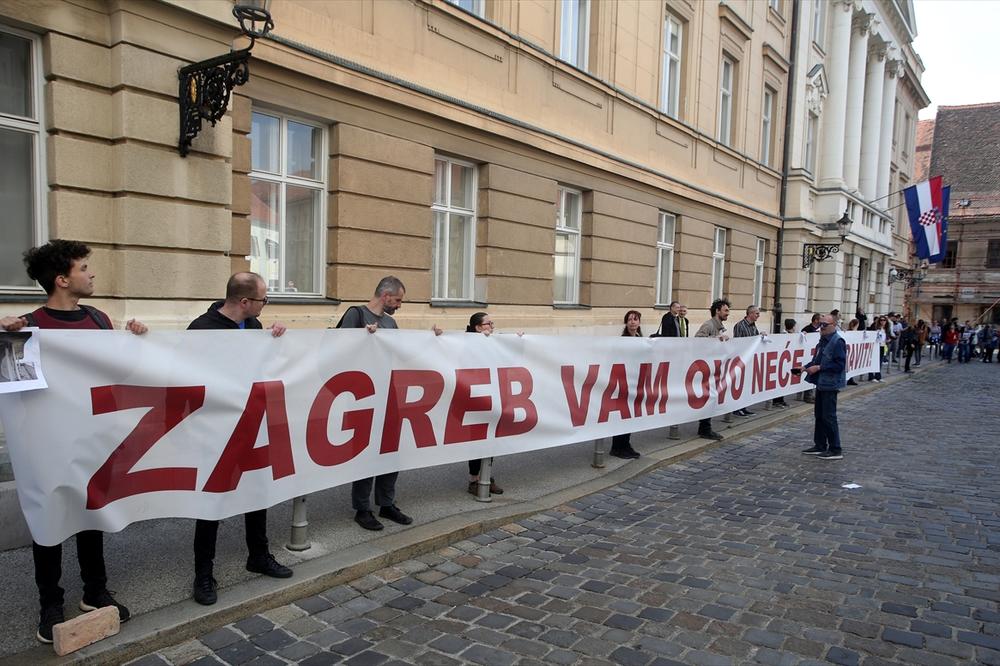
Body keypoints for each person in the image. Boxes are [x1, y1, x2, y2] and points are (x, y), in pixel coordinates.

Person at [0, 239, 146, 643]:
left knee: (91, 516)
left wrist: (136, 339)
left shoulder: (98, 320)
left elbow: (121, 373)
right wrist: (2, 334)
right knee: (48, 521)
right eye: (84, 267)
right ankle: (51, 604)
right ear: (63, 279)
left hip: (92, 440)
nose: (92, 273)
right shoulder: (27, 325)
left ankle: (94, 592)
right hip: (44, 446)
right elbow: (14, 388)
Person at [187, 272, 292, 606]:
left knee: (257, 490)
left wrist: (274, 342)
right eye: (263, 299)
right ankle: (203, 575)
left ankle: (258, 555)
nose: (266, 305)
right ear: (245, 302)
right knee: (211, 502)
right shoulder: (202, 330)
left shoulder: (255, 327)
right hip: (215, 429)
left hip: (251, 424)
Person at [337, 276, 414, 531]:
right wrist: (363, 338)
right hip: (364, 396)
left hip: (389, 394)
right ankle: (362, 508)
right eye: (398, 299)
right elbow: (339, 349)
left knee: (391, 451)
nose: (399, 305)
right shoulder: (355, 315)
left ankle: (386, 503)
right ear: (385, 296)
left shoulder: (390, 323)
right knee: (366, 453)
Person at [463, 312, 507, 488]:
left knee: (491, 439)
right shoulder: (465, 343)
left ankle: (486, 476)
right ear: (478, 327)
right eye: (488, 324)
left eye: (492, 323)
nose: (492, 327)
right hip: (474, 398)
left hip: (492, 398)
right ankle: (474, 479)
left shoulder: (492, 342)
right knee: (477, 440)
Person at [799, 314, 847, 460]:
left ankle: (835, 448)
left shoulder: (837, 341)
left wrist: (819, 367)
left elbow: (839, 365)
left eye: (825, 325)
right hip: (821, 382)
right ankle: (820, 445)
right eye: (820, 324)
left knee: (829, 416)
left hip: (830, 384)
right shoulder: (823, 341)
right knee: (819, 415)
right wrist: (805, 367)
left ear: (833, 325)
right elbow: (817, 359)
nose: (821, 327)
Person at [694, 299, 730, 441]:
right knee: (707, 397)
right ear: (717, 311)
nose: (728, 313)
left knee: (711, 397)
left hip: (712, 367)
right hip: (704, 368)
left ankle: (705, 427)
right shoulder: (708, 325)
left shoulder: (720, 326)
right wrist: (716, 339)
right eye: (725, 310)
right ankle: (704, 428)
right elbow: (698, 340)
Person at [609, 311, 643, 458]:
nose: (632, 322)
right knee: (622, 415)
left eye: (635, 319)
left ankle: (626, 444)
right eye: (629, 320)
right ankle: (617, 446)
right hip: (623, 383)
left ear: (639, 323)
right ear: (626, 323)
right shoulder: (622, 340)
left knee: (631, 416)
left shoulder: (642, 339)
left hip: (635, 382)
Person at [731, 305, 760, 416]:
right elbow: (738, 343)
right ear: (750, 313)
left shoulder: (753, 326)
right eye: (757, 313)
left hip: (750, 359)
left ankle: (743, 406)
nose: (758, 315)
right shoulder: (740, 325)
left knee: (746, 384)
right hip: (741, 359)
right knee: (739, 384)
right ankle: (736, 408)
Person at [772, 318, 796, 408]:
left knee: (784, 382)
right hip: (782, 362)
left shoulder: (791, 335)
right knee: (779, 382)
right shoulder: (783, 335)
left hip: (787, 361)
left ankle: (781, 400)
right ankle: (777, 401)